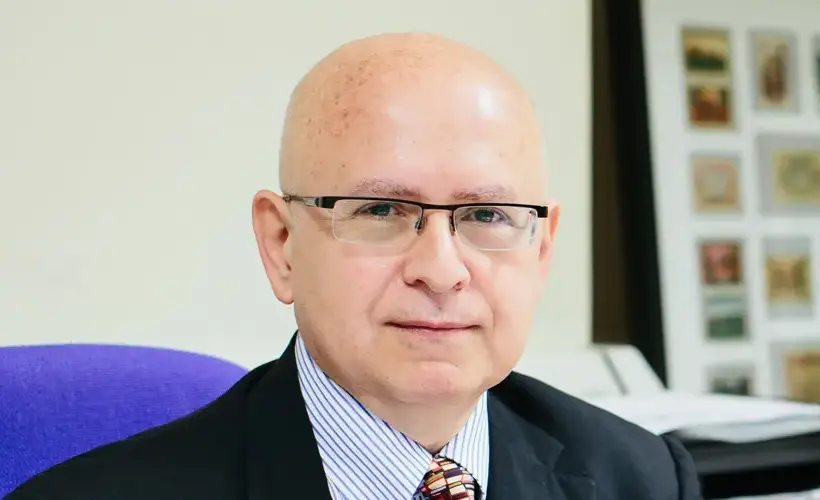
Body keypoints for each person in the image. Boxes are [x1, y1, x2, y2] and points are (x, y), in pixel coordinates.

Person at [7, 32, 701, 500]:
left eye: (487, 216)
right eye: (379, 211)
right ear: (281, 246)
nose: (441, 270)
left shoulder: (641, 479)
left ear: (541, 249)